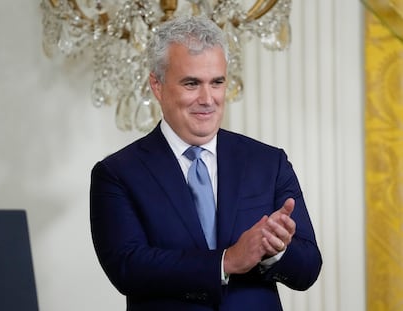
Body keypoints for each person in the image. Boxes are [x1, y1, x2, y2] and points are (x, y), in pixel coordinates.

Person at [90, 15, 322, 311]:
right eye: (191, 83)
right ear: (157, 86)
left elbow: (309, 268)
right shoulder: (117, 173)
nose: (207, 98)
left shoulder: (268, 162)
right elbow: (127, 267)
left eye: (217, 82)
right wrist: (226, 261)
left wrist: (274, 251)